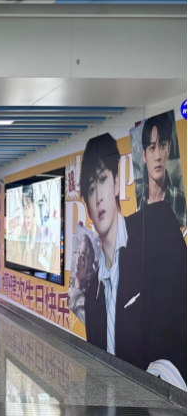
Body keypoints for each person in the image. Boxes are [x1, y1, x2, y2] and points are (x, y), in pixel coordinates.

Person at [80, 134, 187, 389]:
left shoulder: (156, 226)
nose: (99, 197)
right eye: (91, 190)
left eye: (103, 180)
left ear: (117, 183)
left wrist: (158, 380)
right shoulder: (92, 296)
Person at [137, 114, 187, 227]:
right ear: (144, 155)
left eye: (162, 145)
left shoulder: (181, 202)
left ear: (169, 149)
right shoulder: (138, 204)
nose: (158, 156)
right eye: (152, 148)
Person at [69, 234, 97, 326]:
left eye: (83, 258)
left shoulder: (81, 307)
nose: (79, 259)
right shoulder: (69, 286)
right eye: (78, 252)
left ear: (88, 275)